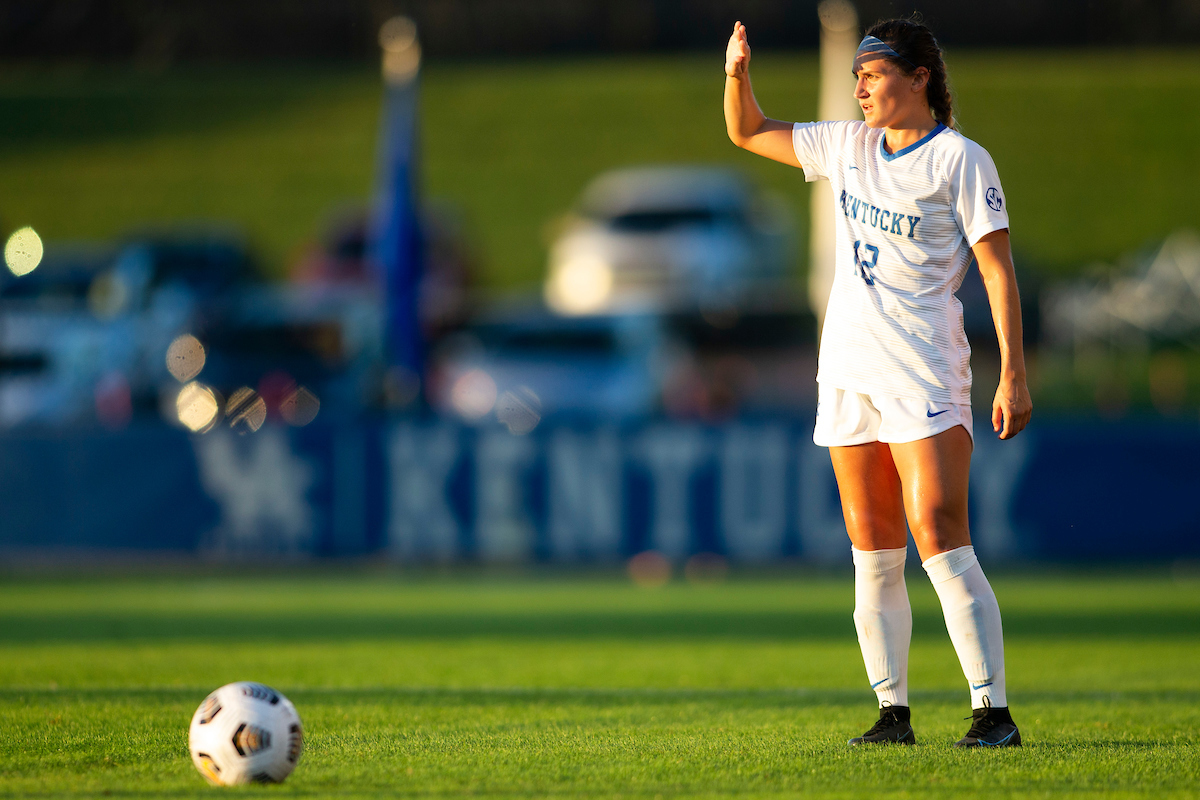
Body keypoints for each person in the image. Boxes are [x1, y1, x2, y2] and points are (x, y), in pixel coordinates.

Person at [723, 17, 1032, 747]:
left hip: (924, 368)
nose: (860, 85)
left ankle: (993, 712)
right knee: (873, 547)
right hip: (850, 371)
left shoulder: (959, 160)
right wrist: (736, 75)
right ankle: (893, 713)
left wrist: (1013, 370)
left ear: (919, 77)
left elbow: (996, 271)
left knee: (941, 534)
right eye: (857, 72)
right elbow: (748, 132)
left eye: (874, 71)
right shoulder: (847, 144)